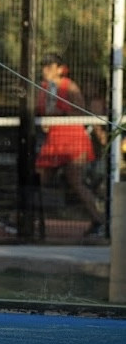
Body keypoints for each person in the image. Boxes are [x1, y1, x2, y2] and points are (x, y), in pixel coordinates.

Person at [35, 53, 106, 238]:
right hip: (54, 140)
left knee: (75, 181)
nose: (45, 70)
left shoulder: (69, 86)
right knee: (38, 179)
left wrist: (60, 114)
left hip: (72, 138)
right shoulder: (42, 88)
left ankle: (100, 221)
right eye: (44, 66)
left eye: (50, 66)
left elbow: (80, 112)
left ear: (60, 69)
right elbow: (40, 110)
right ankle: (22, 219)